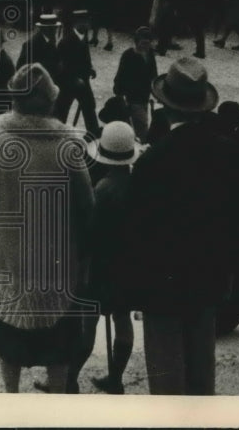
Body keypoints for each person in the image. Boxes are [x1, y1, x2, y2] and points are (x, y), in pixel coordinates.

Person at [0, 64, 95, 394]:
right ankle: (56, 399)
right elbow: (87, 205)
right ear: (51, 100)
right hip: (55, 261)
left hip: (5, 256)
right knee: (59, 348)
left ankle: (11, 400)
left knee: (8, 342)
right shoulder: (68, 143)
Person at [118, 57, 234, 395]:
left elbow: (136, 231)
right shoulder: (225, 152)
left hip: (162, 280)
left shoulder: (152, 162)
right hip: (208, 273)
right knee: (202, 365)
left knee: (167, 369)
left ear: (162, 106)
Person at [82, 122, 139, 393]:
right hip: (128, 263)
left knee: (89, 319)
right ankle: (116, 377)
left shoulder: (103, 188)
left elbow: (91, 230)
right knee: (122, 317)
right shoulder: (138, 185)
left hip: (102, 263)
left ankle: (69, 376)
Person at [112, 26, 158, 142]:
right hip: (133, 97)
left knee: (141, 124)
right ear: (137, 42)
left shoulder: (150, 54)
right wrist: (119, 94)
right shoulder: (128, 55)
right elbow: (120, 76)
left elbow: (154, 73)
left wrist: (156, 89)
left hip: (145, 96)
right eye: (143, 43)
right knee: (142, 126)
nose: (145, 46)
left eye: (148, 43)